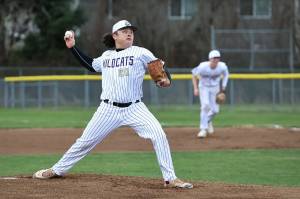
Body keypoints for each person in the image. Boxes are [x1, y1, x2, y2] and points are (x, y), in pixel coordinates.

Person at [33, 20, 193, 189]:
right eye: (124, 31)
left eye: (131, 31)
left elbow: (159, 66)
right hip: (108, 109)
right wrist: (72, 47)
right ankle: (57, 170)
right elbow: (90, 65)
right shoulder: (107, 56)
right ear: (115, 35)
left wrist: (167, 79)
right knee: (84, 142)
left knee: (159, 135)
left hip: (135, 108)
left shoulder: (140, 52)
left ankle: (171, 178)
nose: (129, 33)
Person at [191, 50, 229, 138]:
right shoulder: (203, 66)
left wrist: (223, 87)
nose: (216, 60)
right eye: (214, 58)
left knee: (215, 110)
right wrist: (195, 88)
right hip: (203, 87)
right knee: (205, 106)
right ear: (210, 59)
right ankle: (203, 129)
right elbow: (193, 74)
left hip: (215, 88)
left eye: (217, 58)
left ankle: (208, 121)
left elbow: (226, 75)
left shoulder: (222, 66)